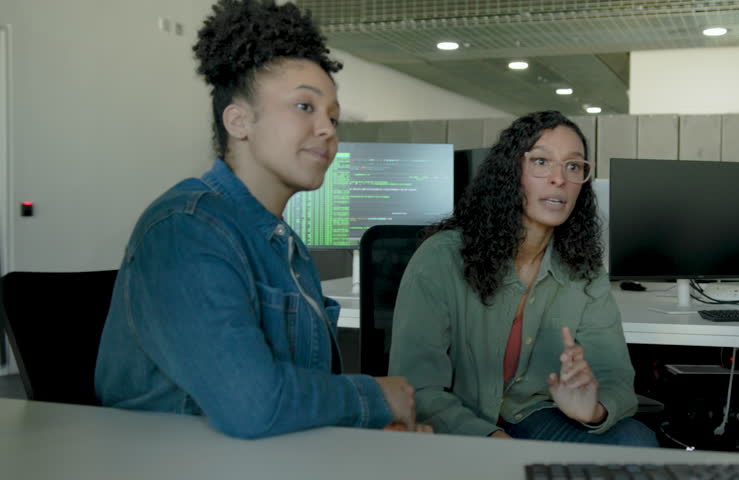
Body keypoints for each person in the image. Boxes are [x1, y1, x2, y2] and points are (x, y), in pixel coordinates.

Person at [95, 0, 423, 439]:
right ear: (239, 121)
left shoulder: (284, 245)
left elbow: (297, 394)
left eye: (333, 117)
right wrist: (373, 399)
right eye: (305, 107)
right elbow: (253, 405)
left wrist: (374, 427)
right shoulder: (185, 229)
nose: (328, 129)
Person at [388, 111, 658, 446]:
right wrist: (493, 439)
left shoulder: (585, 272)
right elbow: (417, 386)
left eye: (573, 166)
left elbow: (615, 376)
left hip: (537, 417)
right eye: (541, 162)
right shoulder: (441, 258)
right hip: (456, 421)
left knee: (635, 441)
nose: (559, 178)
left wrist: (594, 409)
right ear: (511, 172)